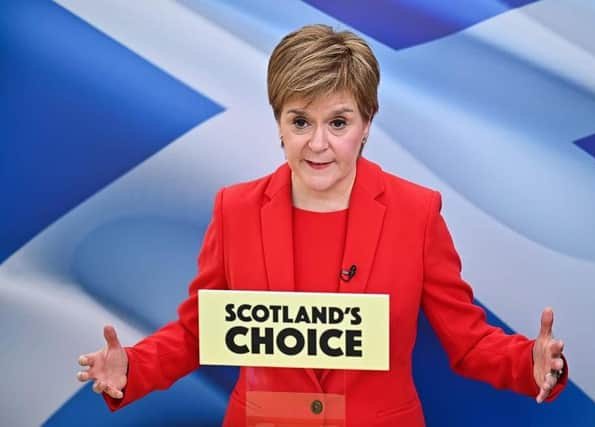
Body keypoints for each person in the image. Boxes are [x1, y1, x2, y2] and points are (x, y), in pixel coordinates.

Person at [76, 24, 567, 426]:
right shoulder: (236, 210)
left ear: (367, 123)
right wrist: (132, 367)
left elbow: (470, 342)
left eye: (338, 122)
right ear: (278, 124)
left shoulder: (416, 212)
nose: (317, 144)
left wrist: (531, 364)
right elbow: (198, 333)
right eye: (300, 121)